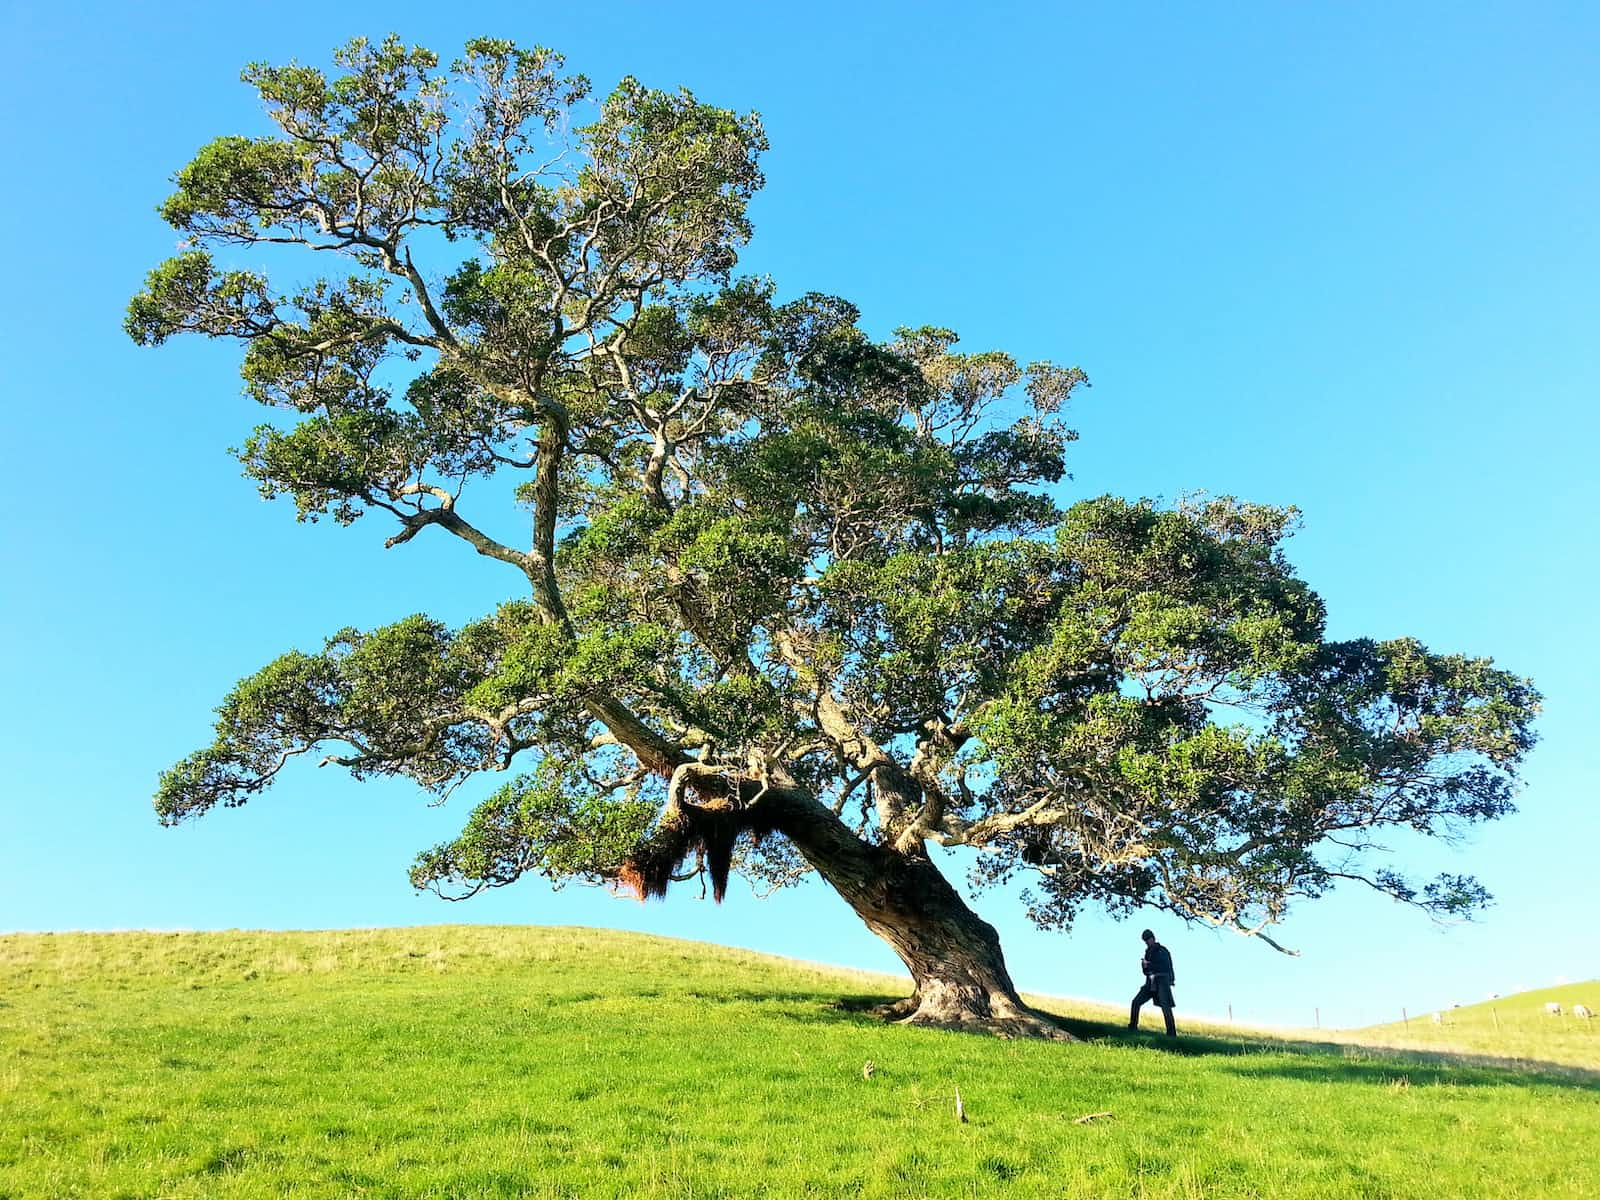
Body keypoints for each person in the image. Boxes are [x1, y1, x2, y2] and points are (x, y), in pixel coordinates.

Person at [1129, 928, 1177, 1036]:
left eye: (1148, 940)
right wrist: (1144, 967)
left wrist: (1149, 965)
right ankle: (1132, 1027)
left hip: (1162, 983)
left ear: (1153, 938)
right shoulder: (1148, 952)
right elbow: (1146, 971)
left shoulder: (1162, 951)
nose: (1147, 942)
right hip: (1150, 983)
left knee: (1166, 1008)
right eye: (1145, 941)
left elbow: (1165, 967)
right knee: (1136, 1002)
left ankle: (1171, 1033)